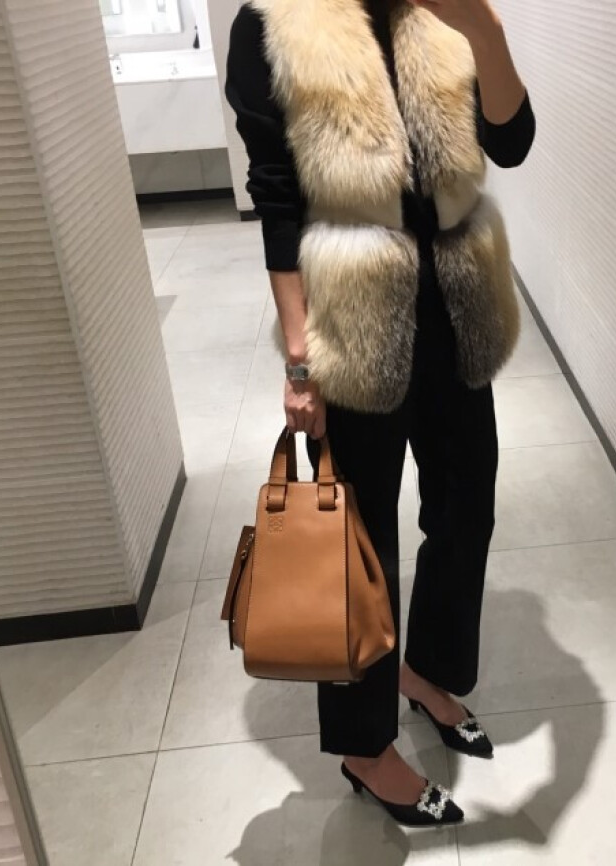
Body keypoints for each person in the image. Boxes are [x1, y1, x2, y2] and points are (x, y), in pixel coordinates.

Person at [226, 0, 534, 826]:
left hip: (458, 309)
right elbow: (277, 200)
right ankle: (365, 747)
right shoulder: (273, 26)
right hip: (351, 323)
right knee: (355, 544)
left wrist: (486, 31)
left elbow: (512, 140)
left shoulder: (443, 16)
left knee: (466, 508)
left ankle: (425, 670)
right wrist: (300, 361)